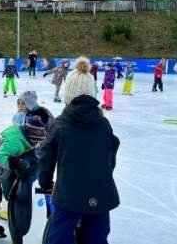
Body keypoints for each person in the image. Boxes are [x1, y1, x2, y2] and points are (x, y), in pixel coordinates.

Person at [39, 94, 120, 244]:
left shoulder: (60, 125)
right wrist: (103, 174)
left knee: (59, 236)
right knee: (96, 237)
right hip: (100, 192)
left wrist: (45, 182)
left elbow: (46, 157)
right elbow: (112, 152)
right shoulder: (103, 124)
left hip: (69, 193)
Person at [0, 113, 50, 244]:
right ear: (33, 136)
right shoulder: (15, 142)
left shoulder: (24, 136)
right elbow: (0, 157)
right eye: (38, 140)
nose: (39, 144)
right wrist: (15, 163)